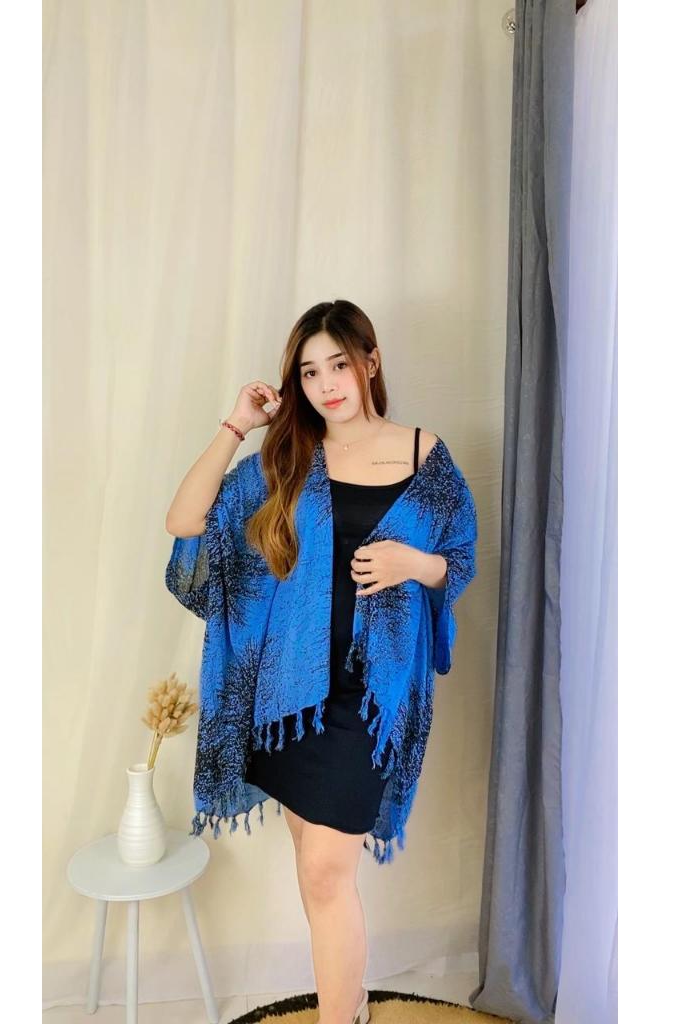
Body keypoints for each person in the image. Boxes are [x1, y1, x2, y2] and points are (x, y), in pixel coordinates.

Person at [165, 298, 477, 1024]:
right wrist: (237, 425)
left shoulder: (424, 454)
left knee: (324, 871)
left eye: (339, 364)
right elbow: (185, 521)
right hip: (290, 697)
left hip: (370, 698)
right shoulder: (288, 461)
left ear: (370, 362)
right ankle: (353, 1003)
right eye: (309, 372)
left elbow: (457, 561)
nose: (327, 384)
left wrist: (413, 563)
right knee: (320, 875)